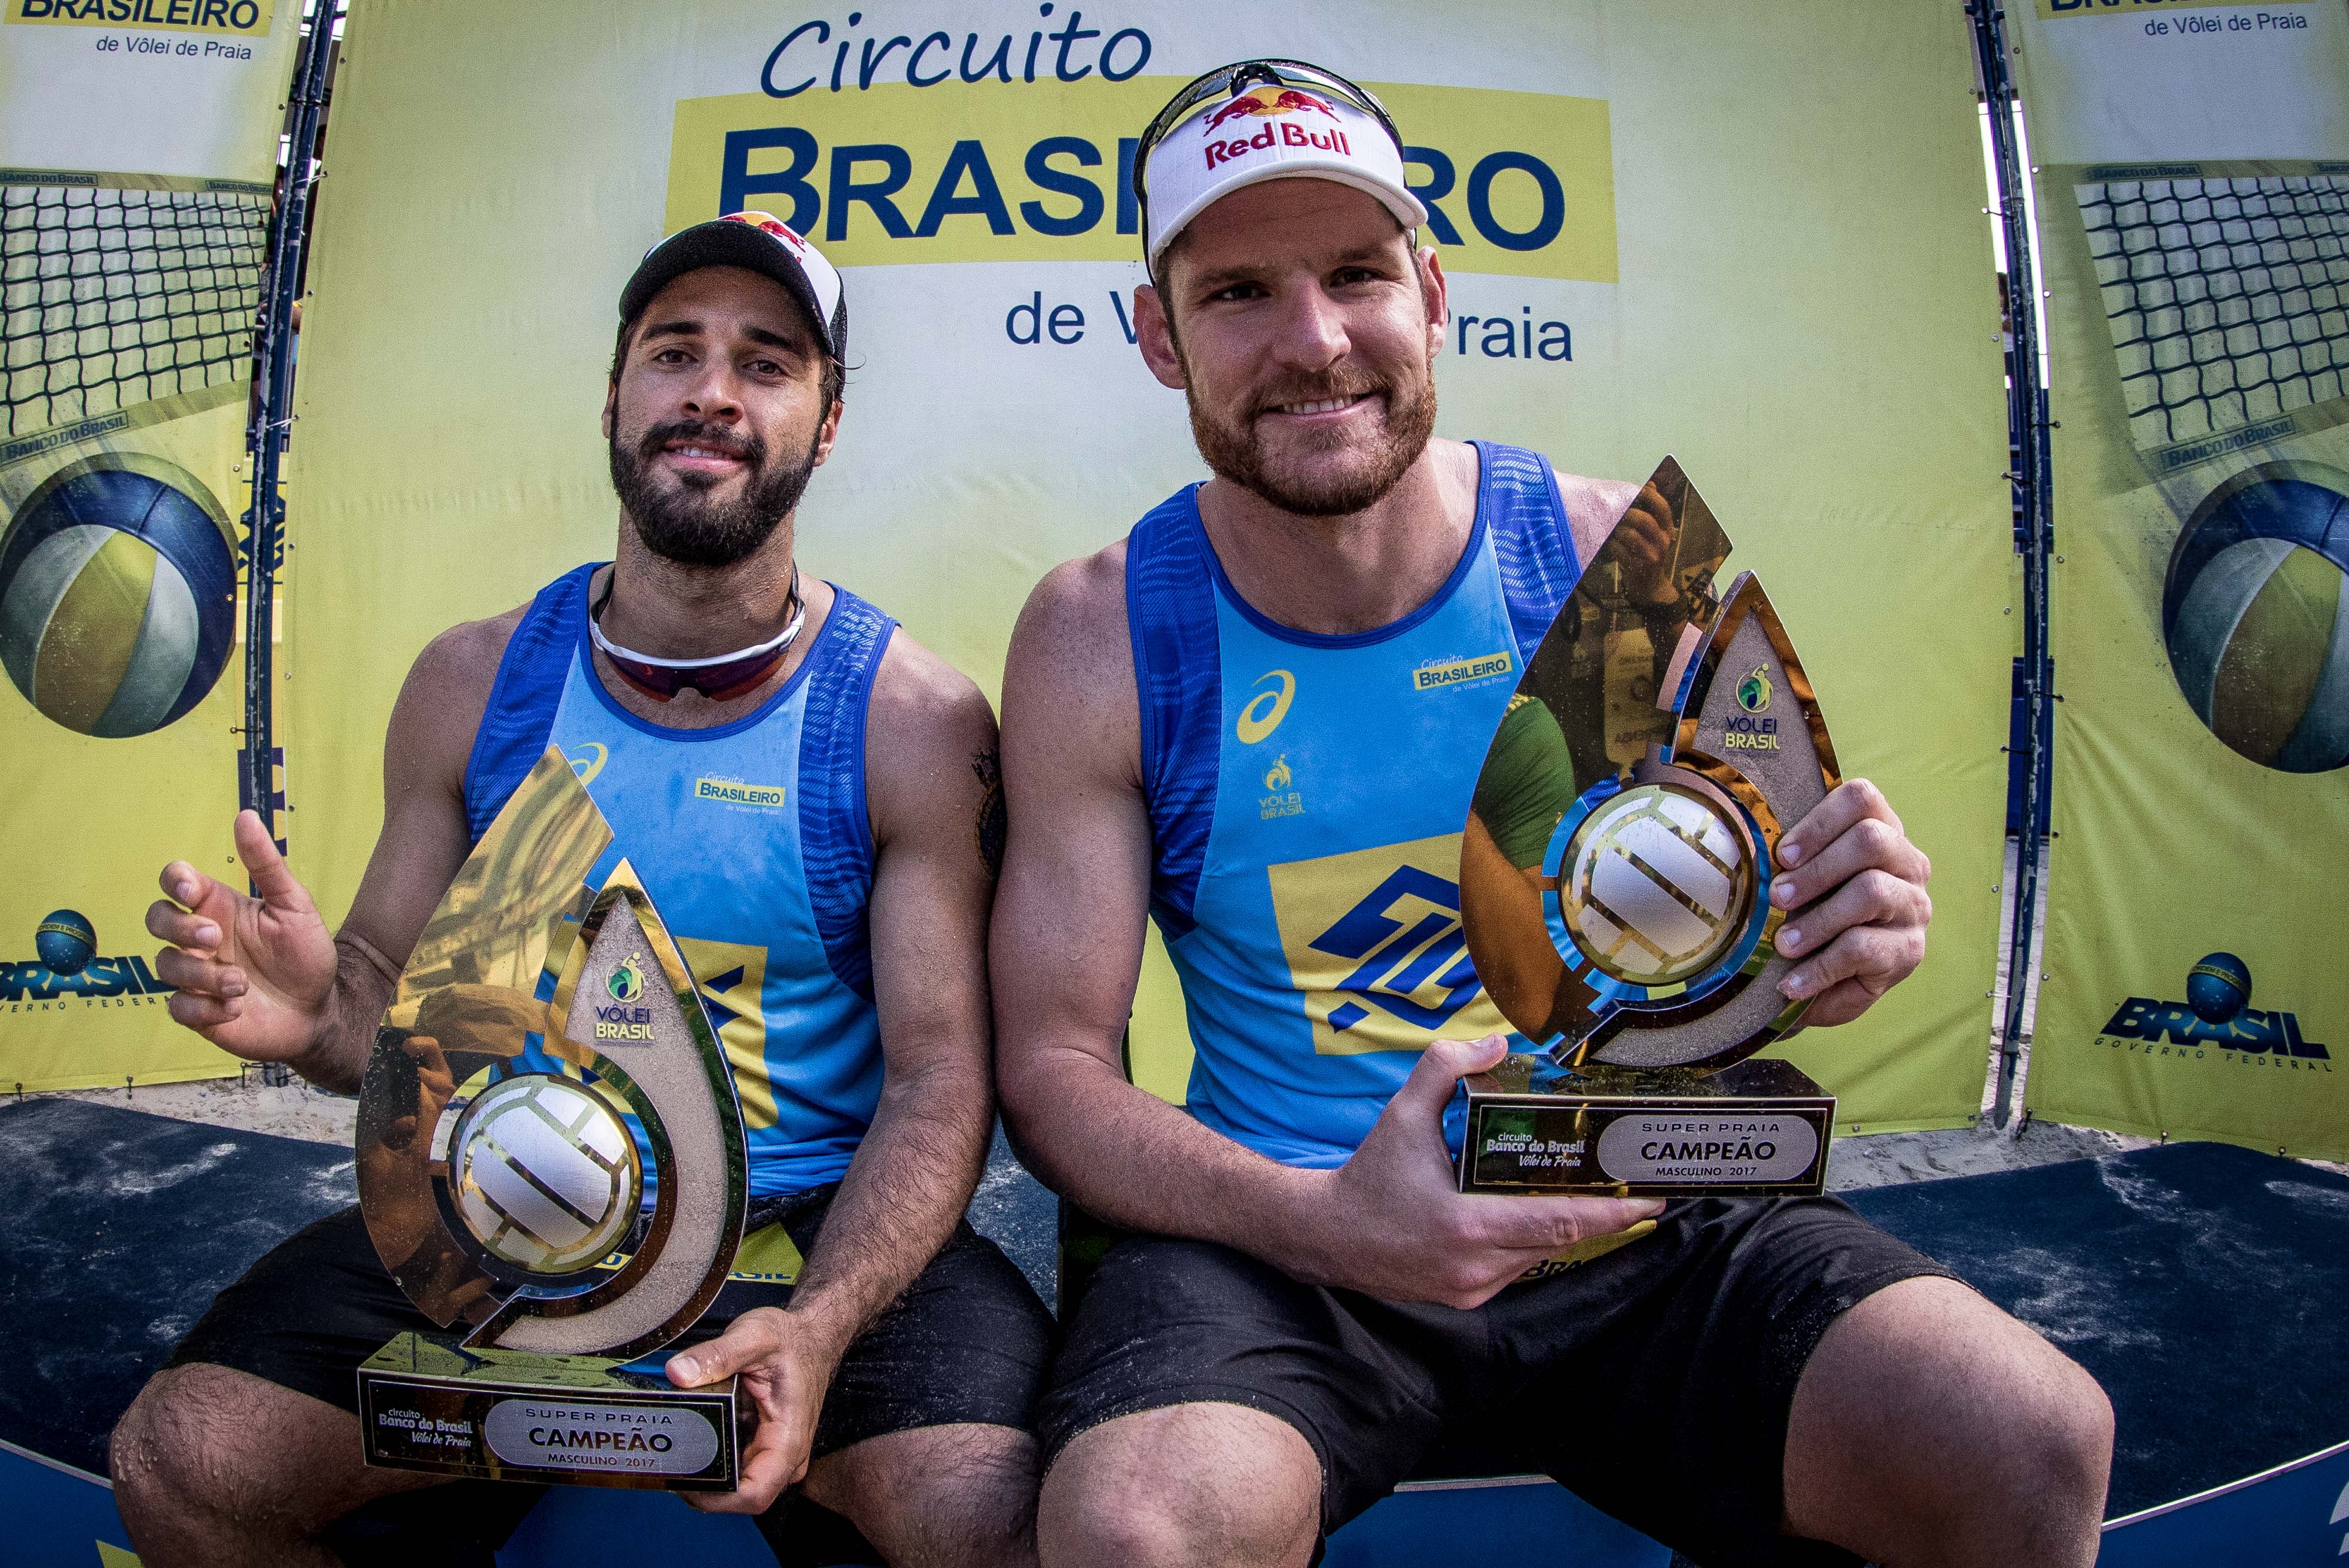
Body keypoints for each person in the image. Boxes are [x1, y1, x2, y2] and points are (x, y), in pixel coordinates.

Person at [990, 62, 2112, 1568]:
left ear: (1433, 293)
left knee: (2028, 1440)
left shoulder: (1603, 553)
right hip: (1285, 1242)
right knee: (1135, 1536)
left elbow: (1740, 955)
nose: (1313, 340)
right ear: (1155, 336)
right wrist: (1332, 1227)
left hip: (1625, 1206)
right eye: (1241, 290)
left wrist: (1845, 934)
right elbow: (1054, 1069)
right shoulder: (1097, 630)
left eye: (1356, 275)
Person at [112, 212, 1051, 1568]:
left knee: (998, 1525)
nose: (711, 392)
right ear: (616, 395)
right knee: (184, 1463)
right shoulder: (473, 681)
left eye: (768, 362)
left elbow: (938, 1079)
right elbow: (374, 1011)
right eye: (673, 353)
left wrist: (822, 1325)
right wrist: (313, 1011)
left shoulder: (909, 720)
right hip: (506, 1220)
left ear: (827, 421)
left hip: (808, 1227)